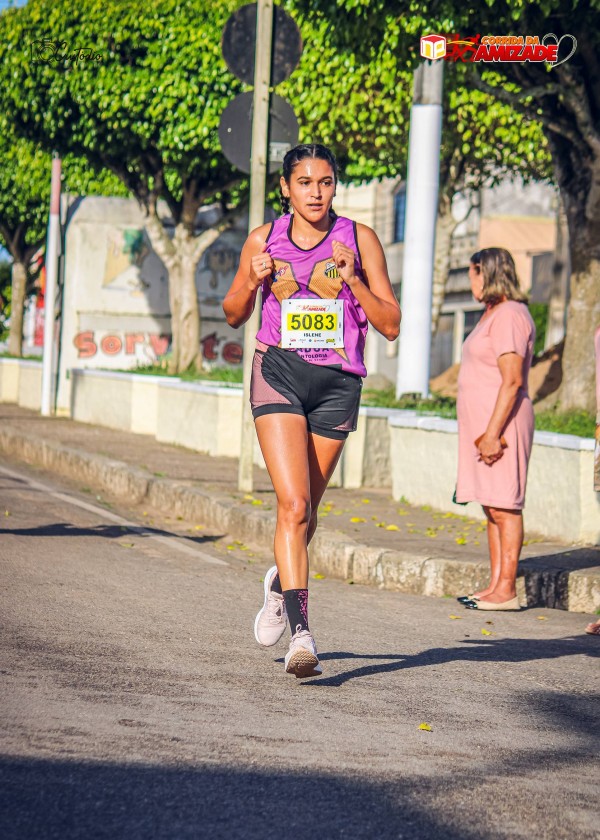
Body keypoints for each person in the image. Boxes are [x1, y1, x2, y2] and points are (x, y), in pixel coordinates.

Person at [223, 143, 400, 677]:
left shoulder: (359, 239)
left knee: (307, 513)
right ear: (286, 187)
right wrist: (253, 279)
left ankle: (280, 581)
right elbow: (234, 313)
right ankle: (302, 633)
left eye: (324, 182)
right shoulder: (264, 238)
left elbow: (390, 322)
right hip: (278, 372)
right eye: (304, 182)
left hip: (337, 384)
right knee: (293, 505)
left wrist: (353, 280)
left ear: (335, 187)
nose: (315, 192)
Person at [455, 247, 536, 611]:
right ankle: (494, 586)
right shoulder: (493, 314)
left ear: (487, 273)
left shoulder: (510, 316)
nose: (471, 281)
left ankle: (507, 590)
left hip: (503, 426)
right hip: (486, 427)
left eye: (474, 273)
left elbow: (512, 379)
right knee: (492, 506)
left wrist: (491, 433)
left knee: (505, 505)